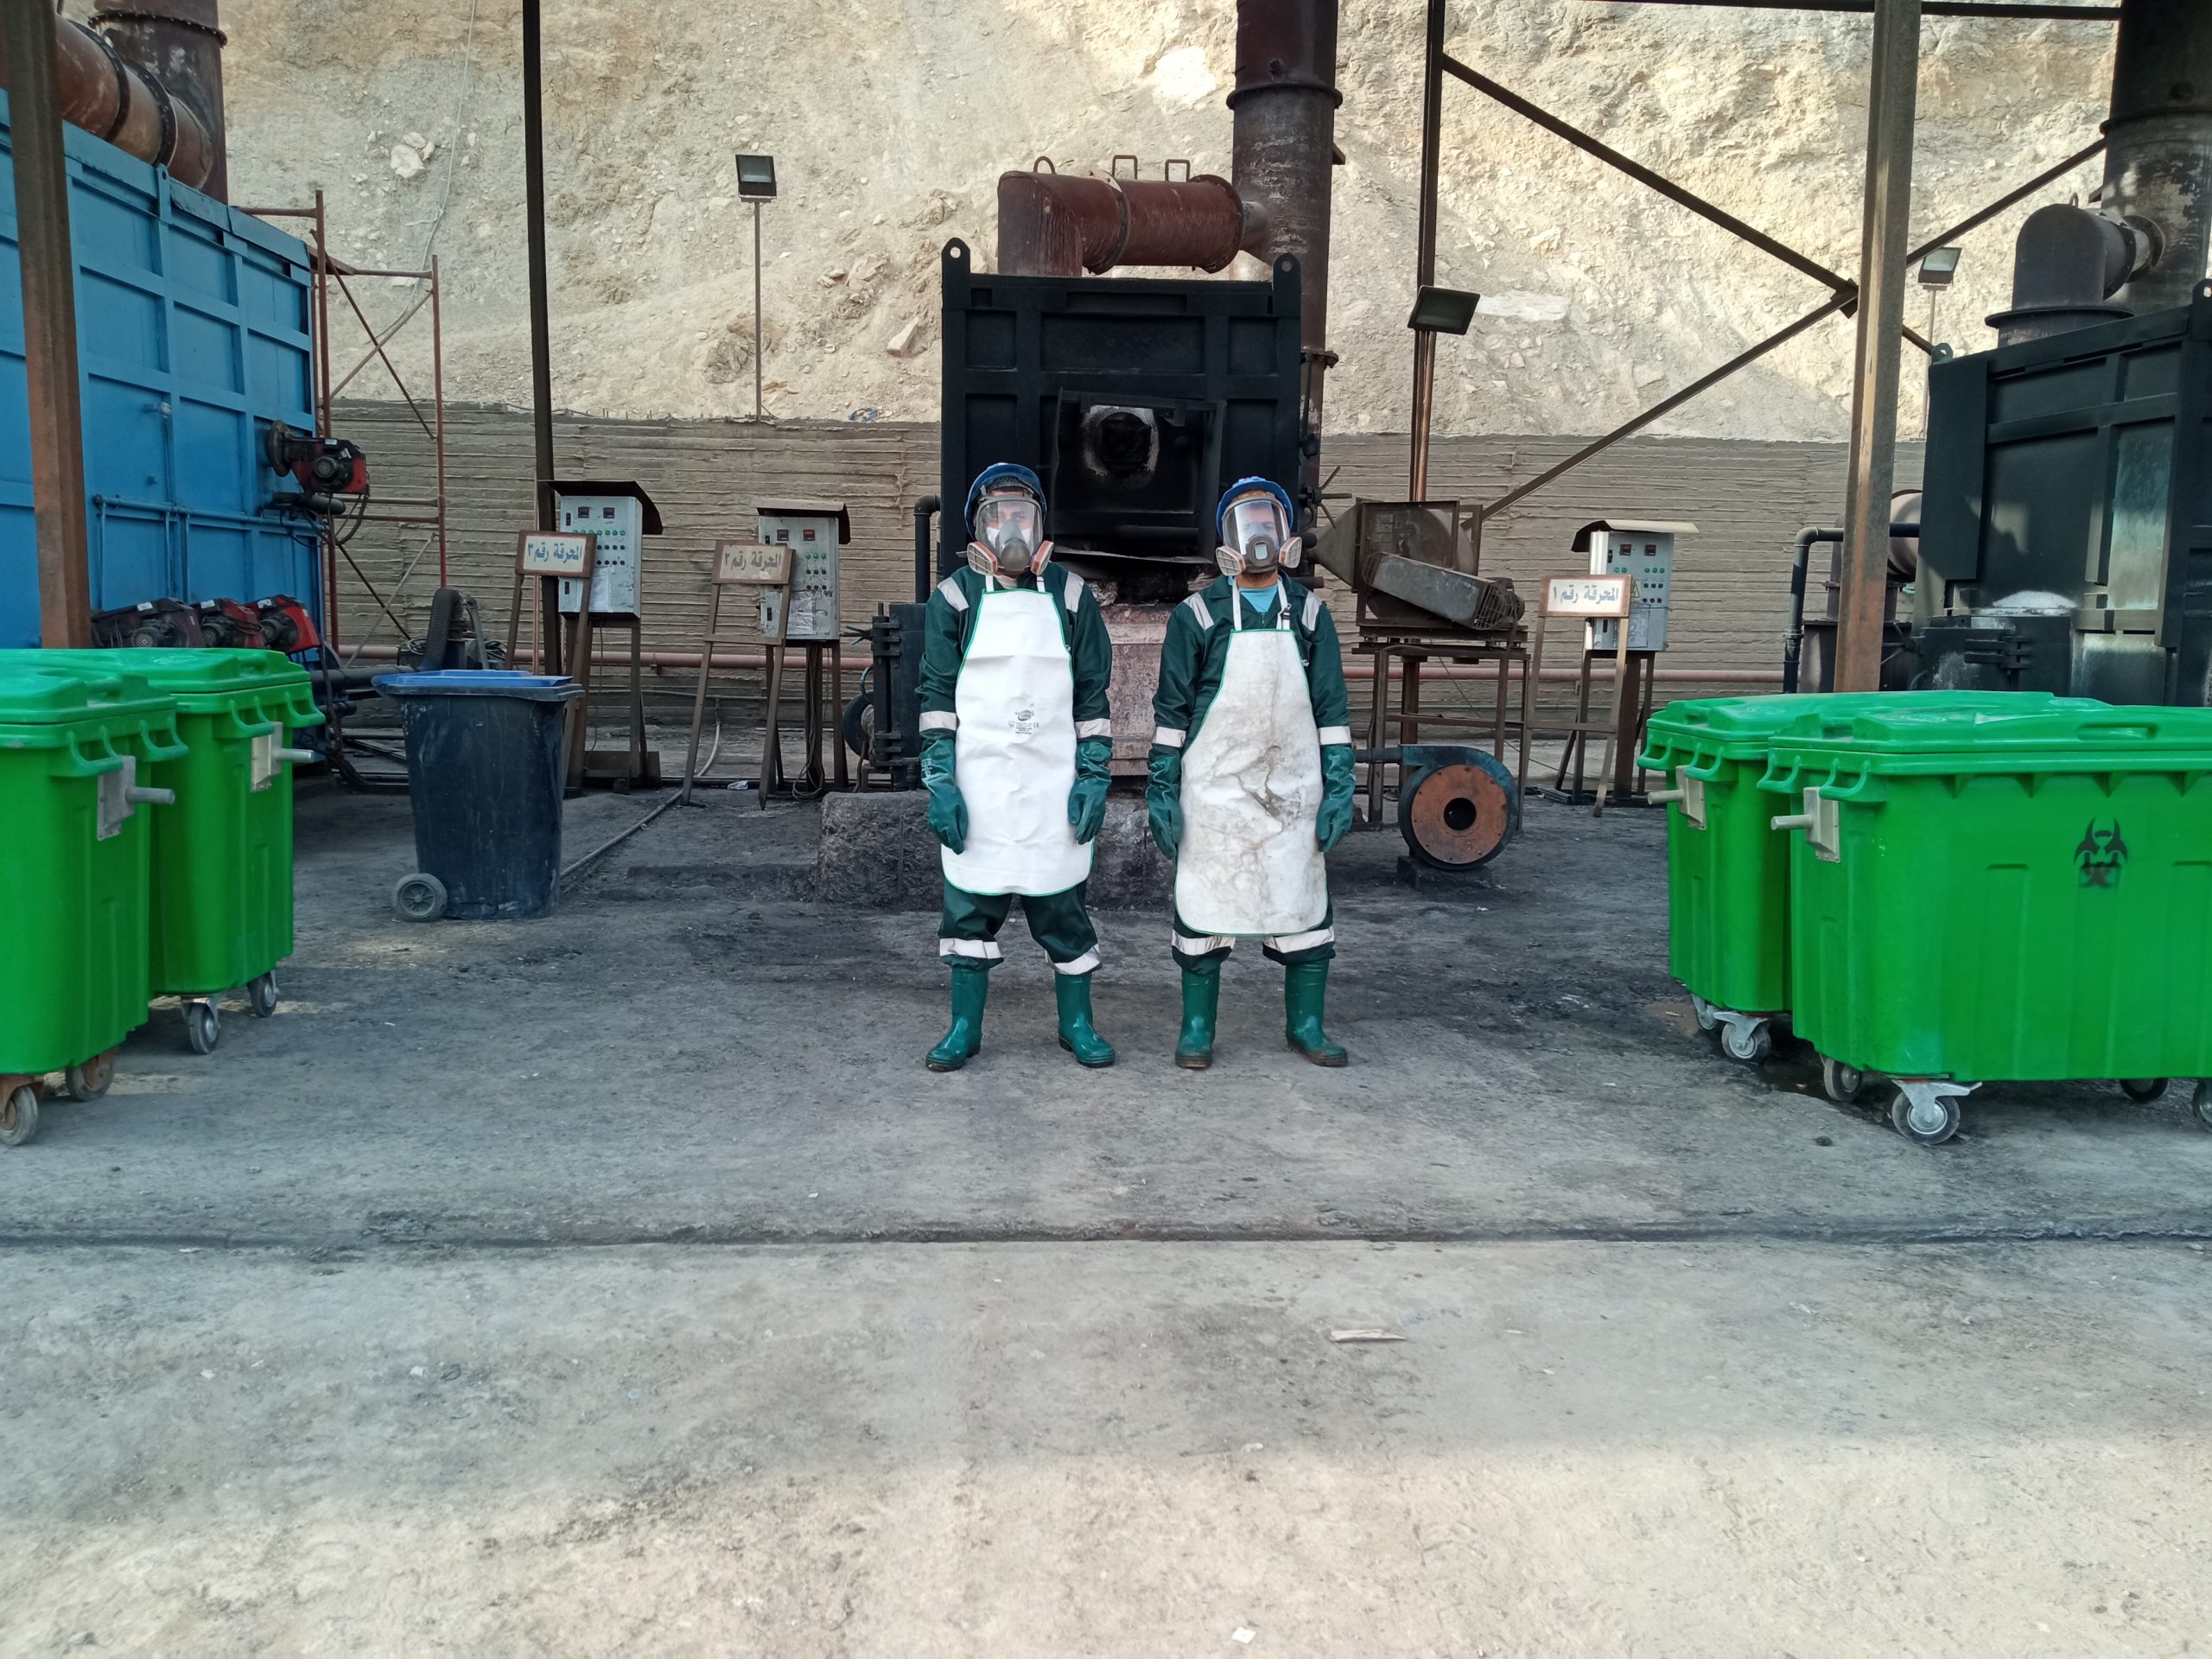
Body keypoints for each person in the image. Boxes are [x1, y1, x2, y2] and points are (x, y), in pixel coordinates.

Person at [1147, 477, 1356, 1069]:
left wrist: (1340, 787)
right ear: (1227, 541)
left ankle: (1306, 1026)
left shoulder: (1310, 613)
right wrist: (1162, 789)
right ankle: (1196, 1030)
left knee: (1302, 906)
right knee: (1204, 906)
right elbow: (1171, 714)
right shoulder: (1198, 614)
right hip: (1215, 791)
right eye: (1246, 525)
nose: (1258, 535)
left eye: (1269, 522)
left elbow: (1331, 710)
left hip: (1293, 790)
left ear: (1287, 535)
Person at [917, 462, 1116, 1071]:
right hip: (980, 785)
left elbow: (1092, 699)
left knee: (1062, 907)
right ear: (977, 529)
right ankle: (964, 1028)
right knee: (969, 908)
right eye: (998, 517)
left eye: (1022, 517)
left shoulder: (1072, 596)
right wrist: (941, 781)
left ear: (1040, 525)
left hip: (1051, 784)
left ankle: (1077, 1025)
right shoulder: (955, 597)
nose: (1012, 530)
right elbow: (937, 698)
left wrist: (1093, 776)